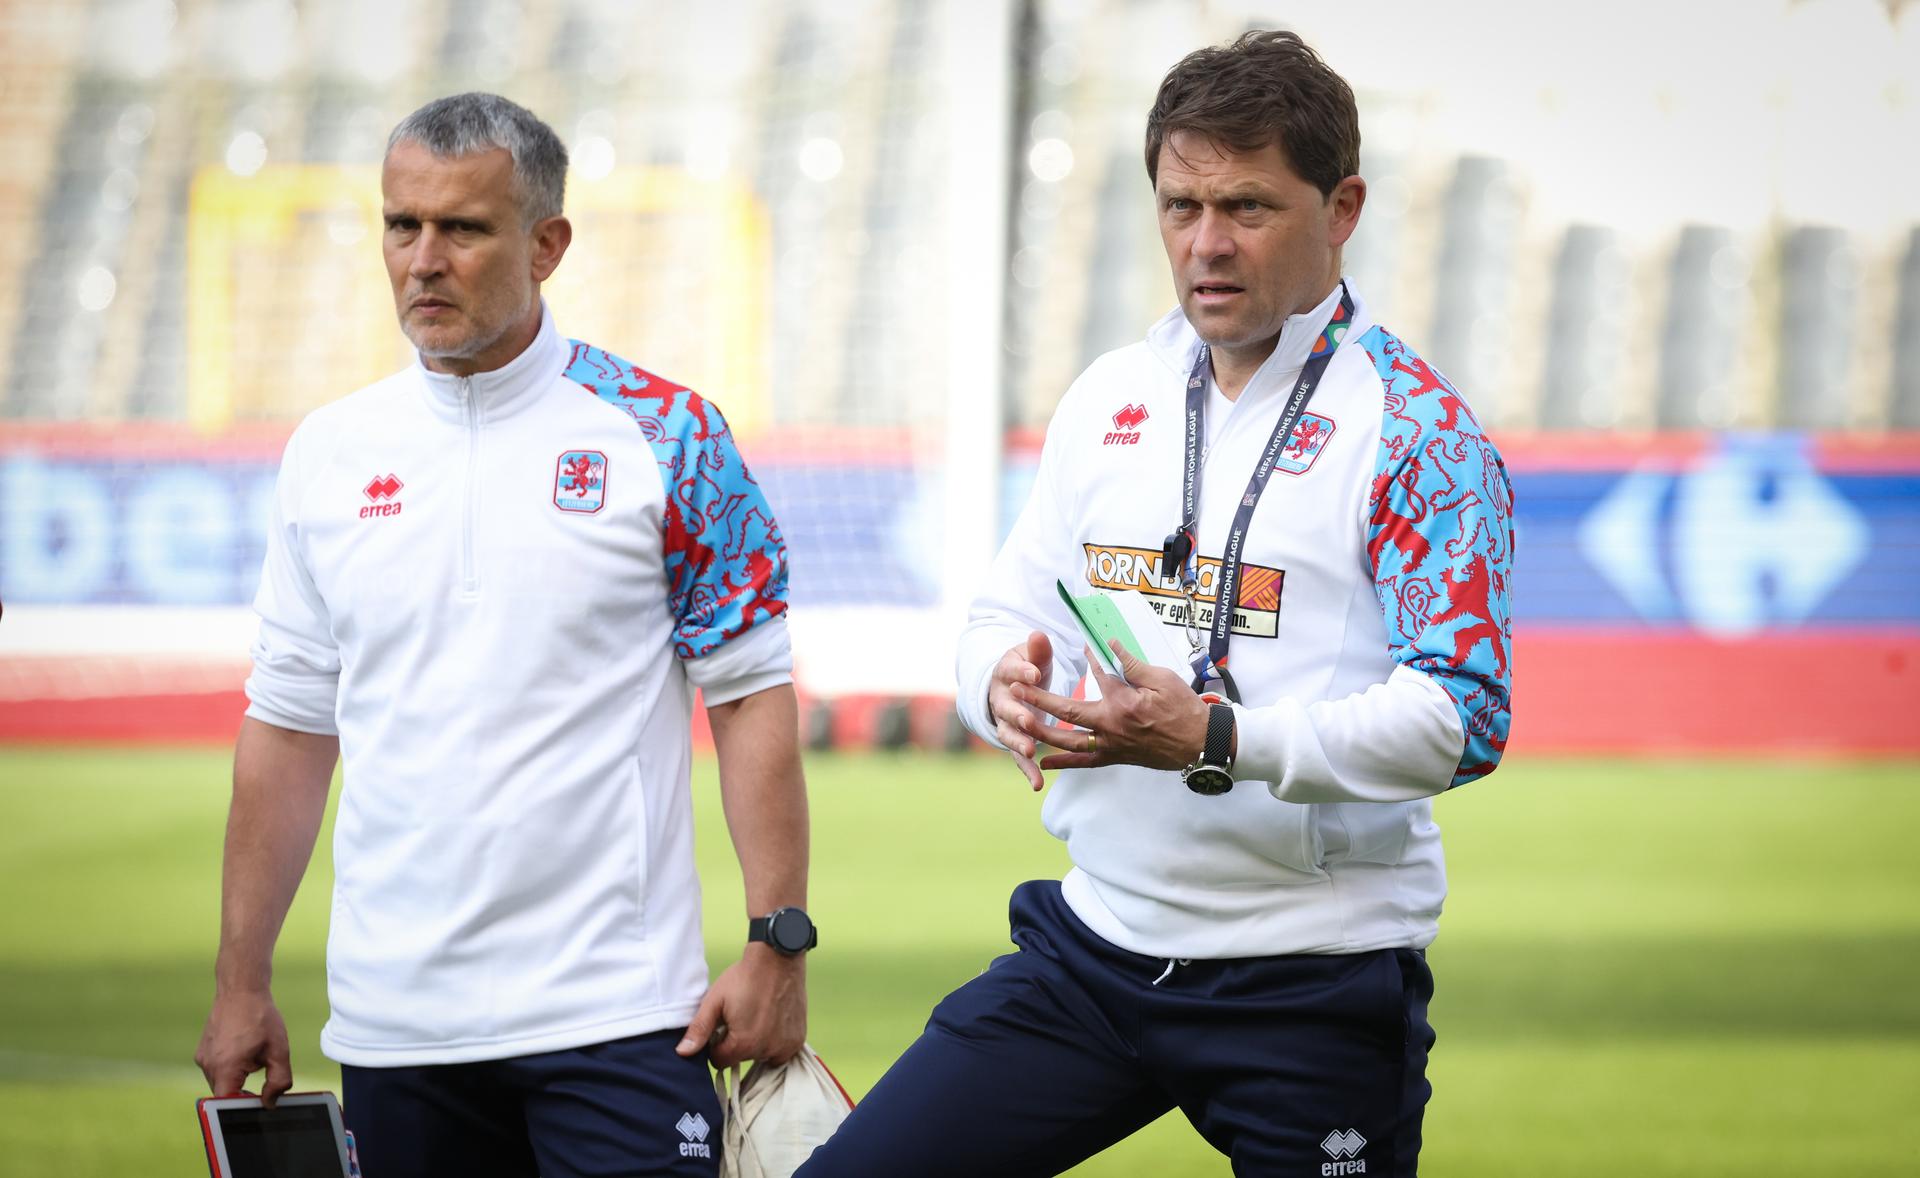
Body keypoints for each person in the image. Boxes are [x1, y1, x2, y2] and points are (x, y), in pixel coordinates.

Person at [799, 30, 1512, 1177]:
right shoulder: (1111, 395)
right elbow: (997, 613)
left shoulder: (1419, 433)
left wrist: (1215, 735)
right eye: (1180, 205)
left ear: (1343, 209)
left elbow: (1465, 719)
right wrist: (1004, 692)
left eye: (1247, 206)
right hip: (1093, 952)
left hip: (1311, 981)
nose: (1207, 244)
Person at [193, 92, 817, 1178]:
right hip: (397, 1028)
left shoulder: (670, 434)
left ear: (547, 243)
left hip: (622, 1013)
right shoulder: (329, 453)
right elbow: (290, 726)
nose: (423, 259)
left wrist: (779, 938)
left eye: (463, 229)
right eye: (401, 224)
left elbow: (752, 694)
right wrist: (240, 977)